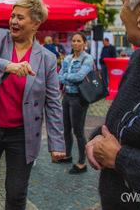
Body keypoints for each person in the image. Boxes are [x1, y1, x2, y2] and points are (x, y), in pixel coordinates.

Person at [0, 0, 66, 210]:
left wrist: (57, 143)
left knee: (16, 193)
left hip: (23, 134)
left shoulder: (47, 59)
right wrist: (10, 66)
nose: (13, 21)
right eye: (12, 16)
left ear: (36, 23)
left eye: (20, 17)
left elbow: (53, 102)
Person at [86, 0, 140, 209]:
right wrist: (97, 139)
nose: (121, 13)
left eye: (124, 2)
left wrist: (120, 158)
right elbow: (122, 123)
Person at [58, 31, 94, 174]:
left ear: (85, 43)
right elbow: (60, 76)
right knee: (66, 128)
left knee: (78, 131)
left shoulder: (88, 59)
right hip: (66, 95)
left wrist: (66, 77)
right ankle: (67, 154)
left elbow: (80, 76)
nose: (75, 43)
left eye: (79, 41)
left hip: (79, 98)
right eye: (74, 40)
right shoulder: (67, 58)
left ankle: (82, 162)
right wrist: (68, 77)